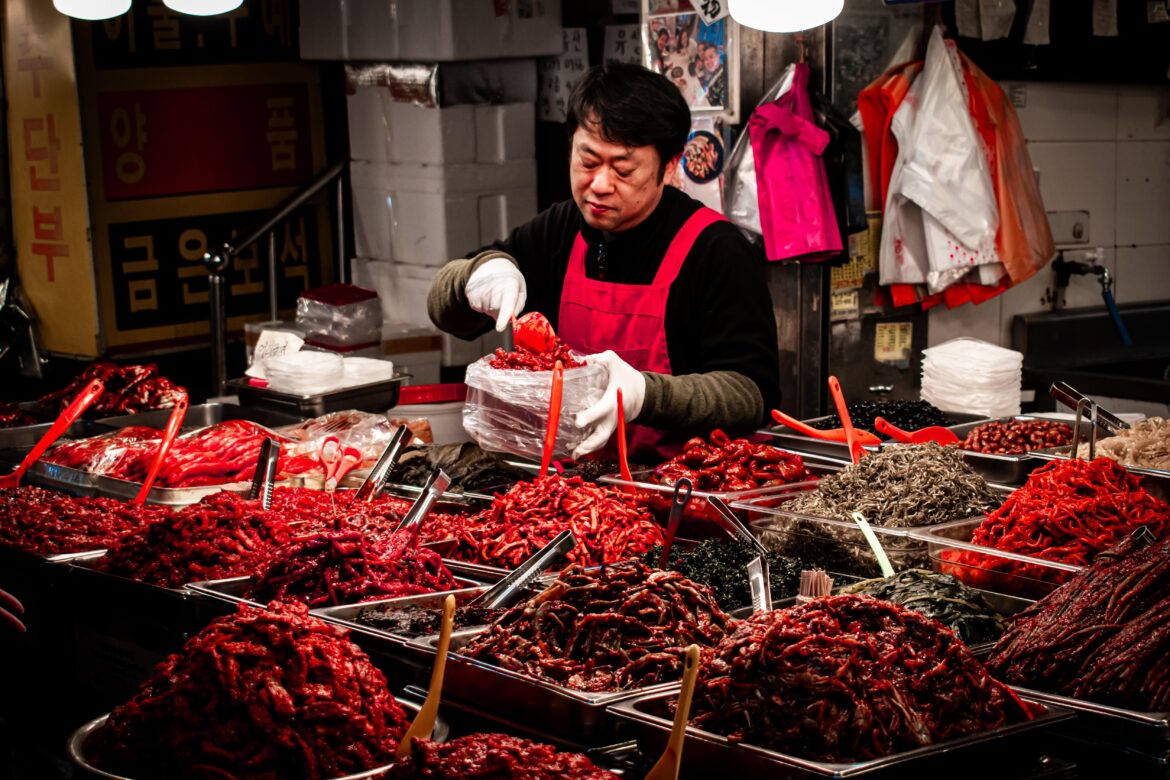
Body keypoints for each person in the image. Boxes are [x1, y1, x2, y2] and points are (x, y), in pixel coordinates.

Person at [428, 63, 780, 460]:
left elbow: (752, 394)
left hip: (684, 490)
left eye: (623, 169)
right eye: (588, 161)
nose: (599, 185)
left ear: (669, 165)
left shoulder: (716, 249)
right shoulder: (561, 228)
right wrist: (474, 276)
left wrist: (647, 395)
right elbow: (448, 315)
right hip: (576, 493)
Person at [699, 43, 726, 108]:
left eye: (711, 57)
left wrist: (708, 96)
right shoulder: (712, 71)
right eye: (705, 59)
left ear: (718, 57)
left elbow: (722, 111)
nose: (708, 61)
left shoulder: (725, 80)